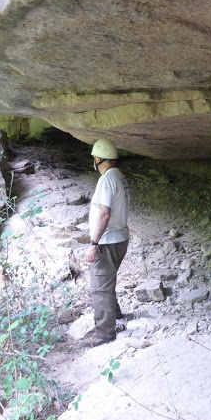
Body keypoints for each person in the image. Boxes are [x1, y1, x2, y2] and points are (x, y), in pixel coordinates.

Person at [82, 138, 131, 347]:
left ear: (99, 157)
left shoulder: (107, 179)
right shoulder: (119, 176)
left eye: (95, 157)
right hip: (120, 237)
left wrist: (94, 243)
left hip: (108, 241)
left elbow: (104, 214)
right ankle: (116, 315)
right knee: (107, 280)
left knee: (99, 288)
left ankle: (104, 333)